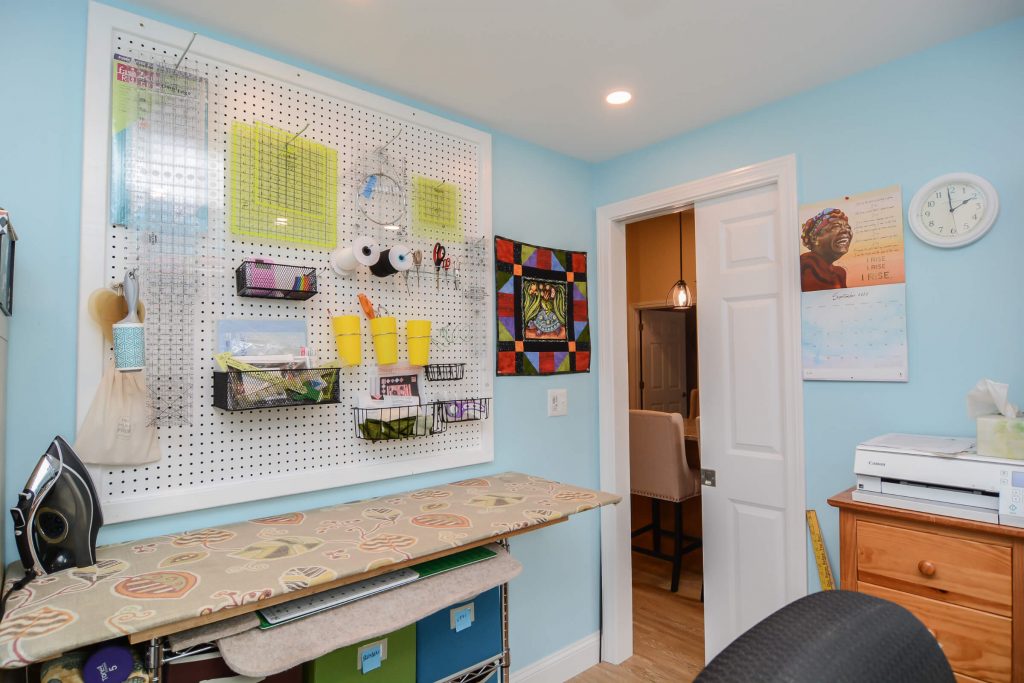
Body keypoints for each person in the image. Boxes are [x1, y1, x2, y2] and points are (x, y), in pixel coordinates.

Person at [800, 208, 853, 292]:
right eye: (835, 227)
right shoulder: (807, 266)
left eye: (848, 227)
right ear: (814, 238)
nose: (846, 230)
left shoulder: (839, 273)